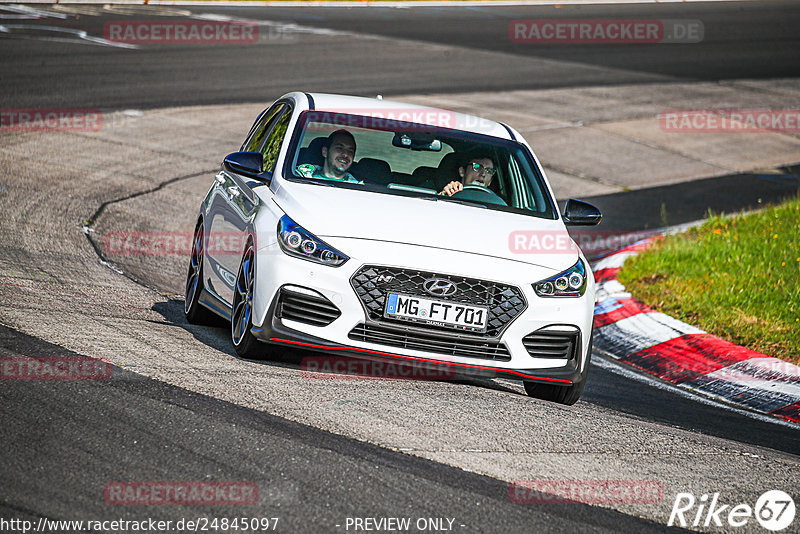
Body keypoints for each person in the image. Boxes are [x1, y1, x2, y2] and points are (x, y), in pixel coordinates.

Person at [297, 129, 362, 184]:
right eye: (339, 148)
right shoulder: (299, 176)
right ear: (325, 152)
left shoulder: (359, 188)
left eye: (350, 151)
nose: (346, 154)